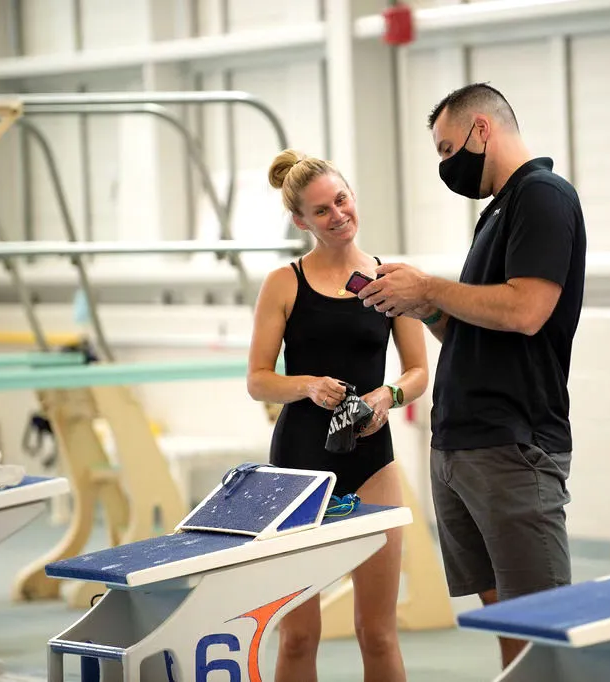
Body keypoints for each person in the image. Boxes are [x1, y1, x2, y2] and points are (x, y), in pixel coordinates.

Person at [357, 82, 587, 670]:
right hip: (461, 444)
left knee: (540, 624)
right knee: (504, 620)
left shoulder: (543, 197)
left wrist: (432, 287)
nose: (445, 163)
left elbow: (527, 311)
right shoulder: (498, 213)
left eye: (445, 147)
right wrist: (423, 306)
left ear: (481, 129)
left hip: (512, 447)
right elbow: (477, 332)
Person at [246, 149, 428, 682]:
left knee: (377, 631)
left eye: (341, 199)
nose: (338, 215)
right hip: (299, 465)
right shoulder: (284, 283)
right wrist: (305, 385)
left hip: (372, 459)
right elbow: (258, 379)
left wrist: (386, 397)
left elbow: (418, 371)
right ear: (301, 220)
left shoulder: (391, 279)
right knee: (298, 636)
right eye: (321, 210)